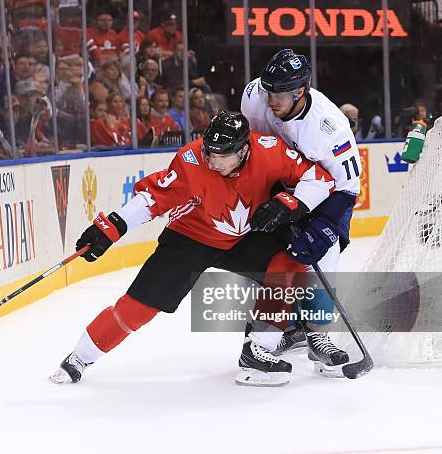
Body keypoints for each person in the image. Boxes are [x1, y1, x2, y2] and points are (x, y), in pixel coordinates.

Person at [50, 111, 335, 386]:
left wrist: (291, 203)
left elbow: (320, 178)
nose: (213, 161)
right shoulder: (192, 160)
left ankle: (258, 350)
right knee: (139, 307)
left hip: (245, 237)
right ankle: (80, 357)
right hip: (191, 238)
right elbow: (153, 198)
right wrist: (110, 228)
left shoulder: (270, 152)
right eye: (210, 152)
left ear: (244, 150)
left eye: (223, 155)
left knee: (291, 261)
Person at [241, 49, 359, 374]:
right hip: (281, 186)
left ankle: (318, 335)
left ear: (300, 91)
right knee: (269, 259)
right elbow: (254, 148)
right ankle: (286, 328)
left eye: (279, 94)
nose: (270, 100)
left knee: (323, 254)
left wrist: (321, 225)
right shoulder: (255, 95)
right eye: (268, 90)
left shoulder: (328, 128)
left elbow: (348, 188)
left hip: (326, 193)